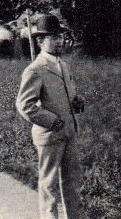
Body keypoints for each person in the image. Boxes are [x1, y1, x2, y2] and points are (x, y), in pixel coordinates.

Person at [16, 14, 86, 219]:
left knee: (72, 181)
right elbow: (25, 105)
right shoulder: (35, 69)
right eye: (53, 37)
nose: (60, 41)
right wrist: (51, 120)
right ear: (39, 41)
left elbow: (66, 92)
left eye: (61, 37)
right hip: (49, 135)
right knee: (49, 184)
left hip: (69, 131)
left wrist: (76, 101)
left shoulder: (62, 65)